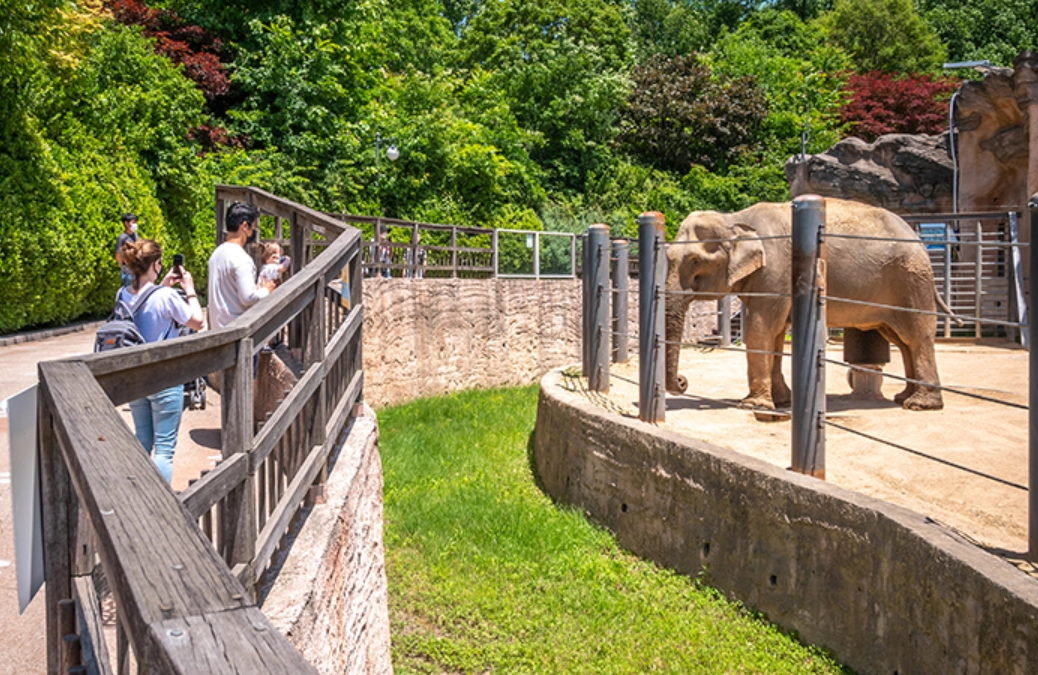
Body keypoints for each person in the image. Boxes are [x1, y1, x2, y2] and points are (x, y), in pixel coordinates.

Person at [120, 239, 204, 484]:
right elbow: (198, 322)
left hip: (136, 375)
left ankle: (139, 494)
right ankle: (161, 504)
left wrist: (163, 285)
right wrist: (189, 289)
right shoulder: (167, 296)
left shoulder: (122, 294)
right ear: (156, 264)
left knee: (142, 440)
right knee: (165, 450)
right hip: (164, 378)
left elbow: (146, 306)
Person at [208, 202, 276, 330]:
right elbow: (248, 298)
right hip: (236, 330)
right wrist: (267, 289)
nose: (253, 232)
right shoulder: (242, 258)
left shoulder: (216, 254)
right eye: (253, 227)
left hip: (217, 329)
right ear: (245, 226)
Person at [114, 213, 139, 287]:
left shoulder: (135, 235)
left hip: (136, 269)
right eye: (133, 222)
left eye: (136, 222)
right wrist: (123, 266)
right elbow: (118, 254)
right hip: (127, 271)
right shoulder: (122, 238)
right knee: (129, 290)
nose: (135, 224)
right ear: (126, 223)